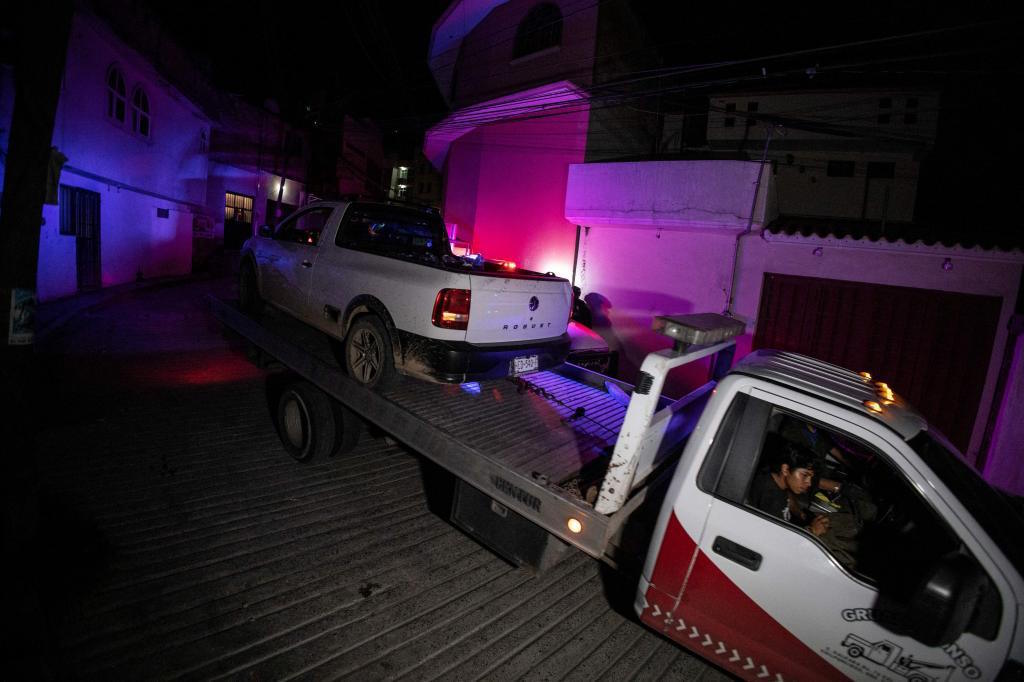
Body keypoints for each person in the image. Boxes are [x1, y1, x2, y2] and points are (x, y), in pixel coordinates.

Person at [749, 439, 830, 537]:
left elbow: (788, 496)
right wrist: (813, 531)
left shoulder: (775, 477)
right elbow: (777, 542)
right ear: (785, 469)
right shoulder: (770, 499)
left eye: (810, 478)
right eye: (805, 475)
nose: (809, 483)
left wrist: (801, 515)